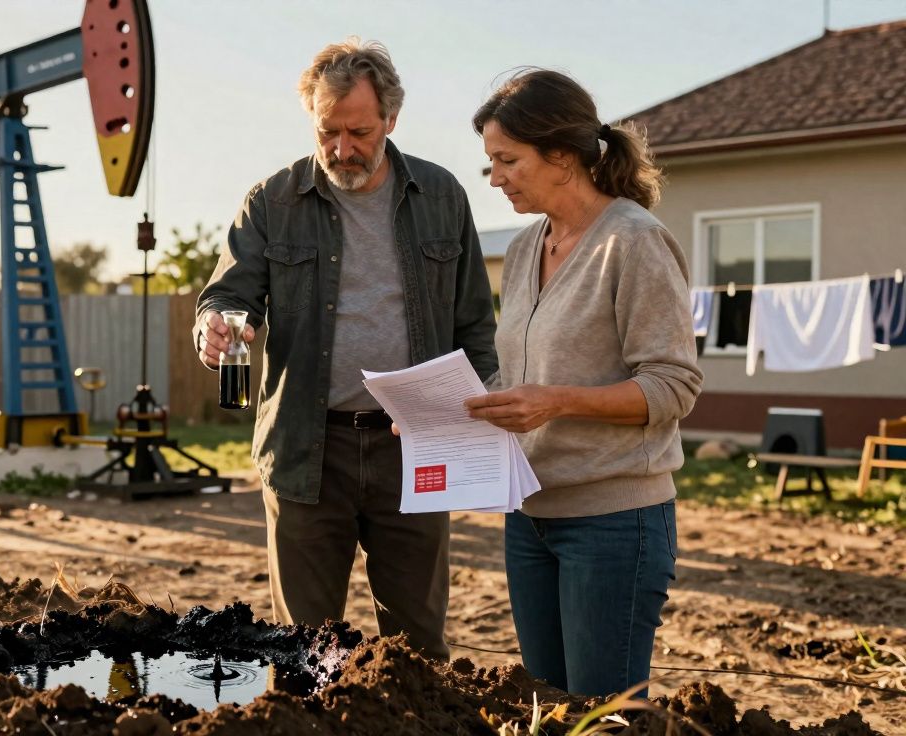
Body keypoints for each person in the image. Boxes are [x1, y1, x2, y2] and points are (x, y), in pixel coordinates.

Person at [193, 38, 498, 660]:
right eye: (327, 131)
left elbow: (475, 324)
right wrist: (214, 327)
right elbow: (226, 295)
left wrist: (479, 421)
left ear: (391, 119)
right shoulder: (271, 201)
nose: (341, 148)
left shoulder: (442, 196)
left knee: (416, 652)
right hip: (307, 450)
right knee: (302, 653)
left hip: (413, 445)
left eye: (358, 132)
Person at [465, 69, 703, 696]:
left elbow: (673, 386)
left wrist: (557, 403)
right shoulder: (525, 248)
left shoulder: (635, 241)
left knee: (604, 715)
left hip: (613, 523)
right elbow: (521, 375)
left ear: (562, 157)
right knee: (545, 708)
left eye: (508, 160)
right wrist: (439, 413)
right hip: (529, 516)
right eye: (491, 162)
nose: (495, 179)